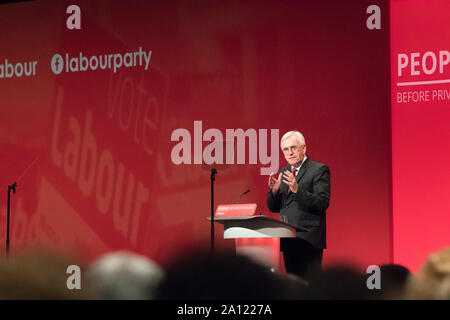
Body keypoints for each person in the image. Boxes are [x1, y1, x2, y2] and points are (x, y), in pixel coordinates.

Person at [267, 131, 330, 279]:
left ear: (303, 148)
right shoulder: (284, 172)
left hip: (309, 239)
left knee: (310, 286)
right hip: (288, 237)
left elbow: (322, 202)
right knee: (293, 285)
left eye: (293, 148)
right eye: (285, 149)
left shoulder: (318, 169)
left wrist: (297, 190)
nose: (289, 152)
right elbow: (274, 208)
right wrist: (274, 192)